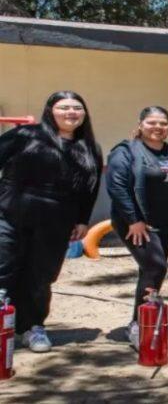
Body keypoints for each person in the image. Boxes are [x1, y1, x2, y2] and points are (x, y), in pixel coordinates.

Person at [0, 91, 102, 352]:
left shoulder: (89, 147)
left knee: (40, 276)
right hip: (10, 215)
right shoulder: (24, 135)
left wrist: (82, 220)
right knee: (5, 271)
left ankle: (32, 327)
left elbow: (89, 189)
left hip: (56, 222)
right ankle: (4, 328)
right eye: (64, 107)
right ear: (50, 110)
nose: (71, 112)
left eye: (77, 108)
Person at [106, 106, 168, 347]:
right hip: (138, 224)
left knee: (150, 270)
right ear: (140, 124)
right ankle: (138, 324)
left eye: (163, 123)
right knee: (156, 266)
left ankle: (146, 317)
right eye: (151, 122)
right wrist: (133, 220)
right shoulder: (125, 151)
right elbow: (117, 188)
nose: (158, 127)